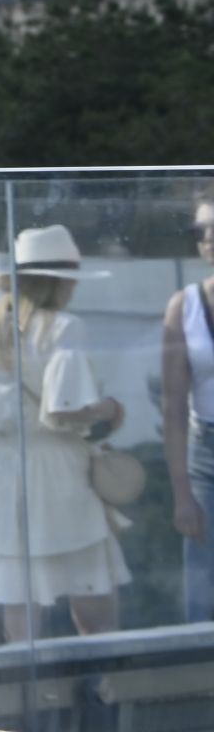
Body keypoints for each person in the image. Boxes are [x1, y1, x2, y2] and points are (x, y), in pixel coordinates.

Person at [0, 224, 128, 642]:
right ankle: (101, 691)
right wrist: (108, 409)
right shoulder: (63, 327)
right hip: (58, 470)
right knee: (94, 604)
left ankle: (30, 699)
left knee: (19, 604)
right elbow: (64, 410)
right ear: (60, 282)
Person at [161, 190, 214, 622]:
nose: (208, 239)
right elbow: (173, 405)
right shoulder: (186, 305)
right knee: (203, 592)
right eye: (200, 231)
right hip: (206, 456)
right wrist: (181, 494)